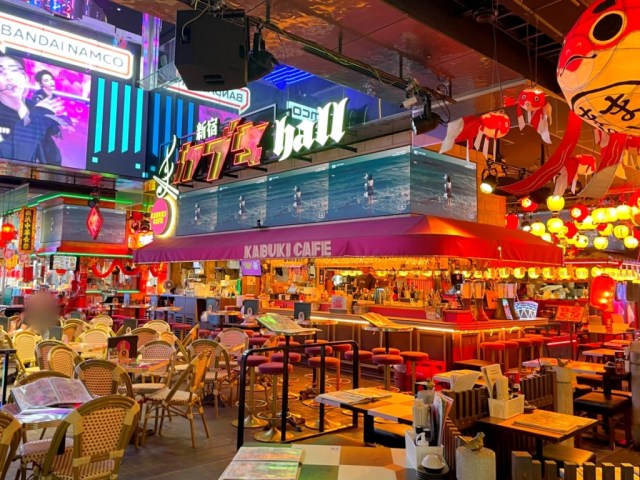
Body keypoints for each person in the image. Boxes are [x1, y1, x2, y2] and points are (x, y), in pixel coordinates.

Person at [0, 55, 63, 165]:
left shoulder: (36, 112)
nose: (10, 77)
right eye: (1, 72)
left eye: (15, 71)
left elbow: (53, 160)